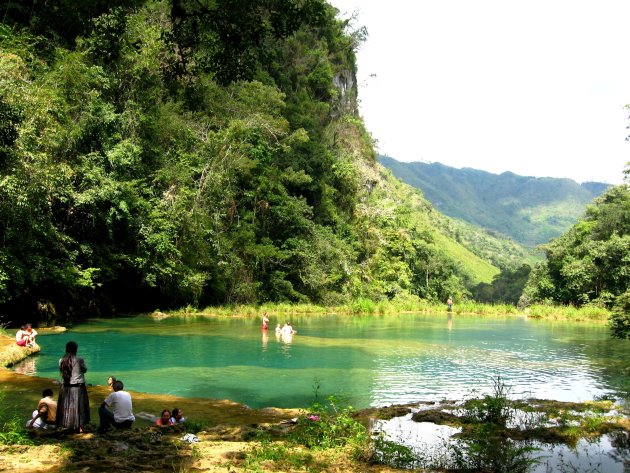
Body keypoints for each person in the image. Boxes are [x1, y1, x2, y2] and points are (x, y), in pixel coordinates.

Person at [56, 341, 90, 432]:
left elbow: (62, 371)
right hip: (78, 387)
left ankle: (66, 424)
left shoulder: (61, 360)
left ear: (66, 349)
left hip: (65, 387)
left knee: (67, 406)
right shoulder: (79, 360)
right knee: (80, 406)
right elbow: (85, 370)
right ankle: (80, 427)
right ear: (76, 350)